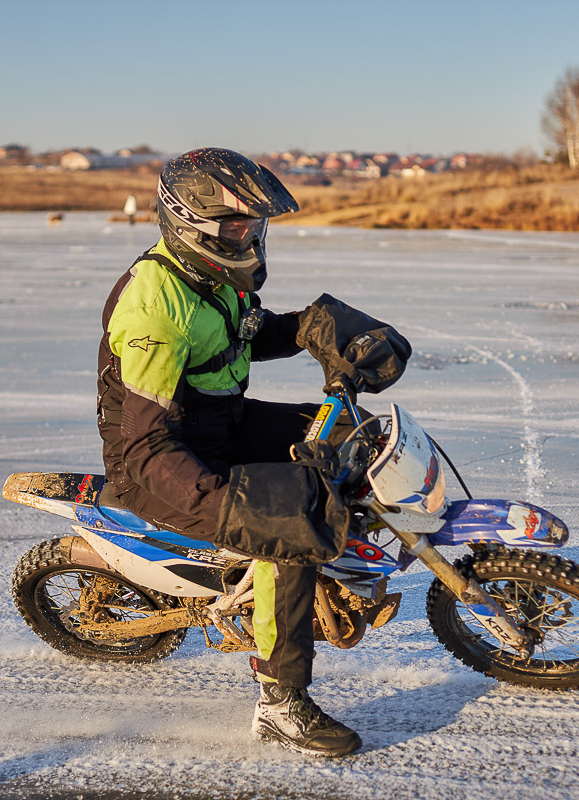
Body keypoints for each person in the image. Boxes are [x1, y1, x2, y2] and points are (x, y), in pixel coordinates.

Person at [96, 148, 410, 757]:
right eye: (239, 227)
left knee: (353, 434)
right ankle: (281, 702)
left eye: (255, 227)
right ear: (193, 227)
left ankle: (343, 545)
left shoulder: (211, 279)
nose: (251, 237)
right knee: (289, 527)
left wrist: (306, 329)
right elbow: (143, 443)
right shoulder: (153, 307)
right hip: (166, 465)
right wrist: (227, 502)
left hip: (222, 424)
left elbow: (241, 337)